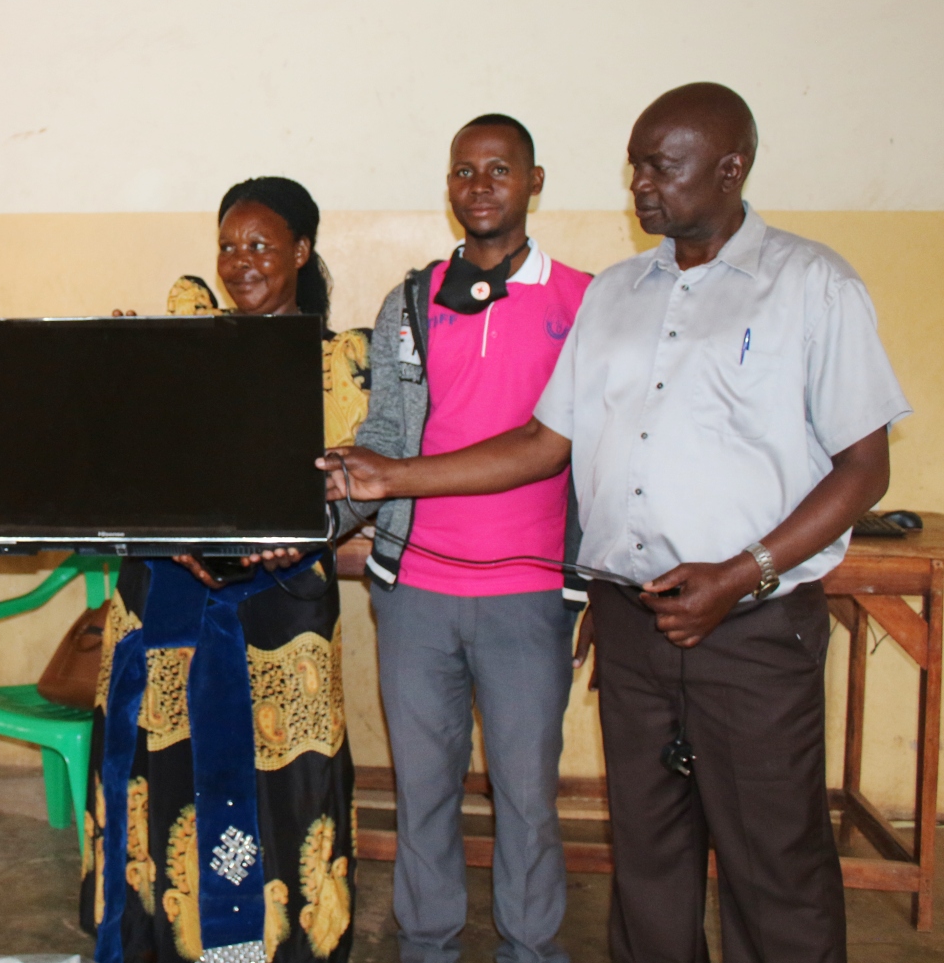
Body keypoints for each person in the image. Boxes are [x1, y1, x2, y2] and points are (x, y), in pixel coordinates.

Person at [322, 83, 911, 963]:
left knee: (771, 864)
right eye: (635, 163)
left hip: (744, 620)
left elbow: (865, 467)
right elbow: (545, 440)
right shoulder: (618, 295)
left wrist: (745, 569)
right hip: (628, 619)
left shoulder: (810, 284)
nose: (641, 183)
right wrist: (379, 480)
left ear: (731, 167)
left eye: (662, 165)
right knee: (648, 862)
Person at [80, 177, 369, 963]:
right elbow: (136, 475)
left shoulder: (337, 364)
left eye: (261, 246)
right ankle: (164, 942)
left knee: (285, 787)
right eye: (229, 246)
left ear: (301, 252)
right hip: (168, 599)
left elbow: (346, 488)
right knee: (164, 775)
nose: (241, 263)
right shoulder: (184, 342)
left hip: (281, 612)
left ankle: (266, 948)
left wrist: (300, 533)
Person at [330, 114, 590, 963]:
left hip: (528, 593)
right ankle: (428, 945)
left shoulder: (584, 301)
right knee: (425, 793)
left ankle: (530, 948)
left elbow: (589, 452)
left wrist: (595, 587)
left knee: (524, 796)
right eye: (464, 172)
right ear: (448, 186)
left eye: (499, 170)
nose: (480, 187)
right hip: (416, 594)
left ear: (535, 182)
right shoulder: (410, 301)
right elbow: (388, 435)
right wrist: (309, 522)